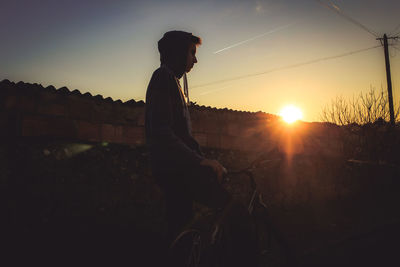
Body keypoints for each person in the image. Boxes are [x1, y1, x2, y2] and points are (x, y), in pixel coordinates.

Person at [145, 30, 257, 266]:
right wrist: (200, 162)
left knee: (180, 228)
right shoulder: (162, 77)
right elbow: (161, 132)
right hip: (176, 172)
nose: (195, 60)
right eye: (192, 53)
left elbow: (184, 137)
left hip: (179, 169)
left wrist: (205, 160)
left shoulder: (174, 81)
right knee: (235, 215)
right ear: (177, 52)